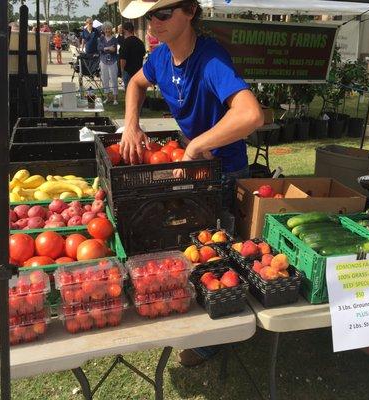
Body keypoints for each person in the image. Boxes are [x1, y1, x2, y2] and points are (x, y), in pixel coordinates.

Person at [119, 0, 264, 366]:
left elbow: (250, 114)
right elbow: (136, 83)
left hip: (223, 174)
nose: (154, 22)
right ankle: (195, 321)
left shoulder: (211, 59)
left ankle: (215, 339)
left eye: (163, 13)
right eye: (150, 15)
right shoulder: (160, 57)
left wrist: (197, 143)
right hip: (191, 171)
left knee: (214, 256)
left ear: (190, 13)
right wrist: (132, 123)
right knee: (189, 246)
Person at [118, 22, 146, 90]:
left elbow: (123, 59)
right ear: (133, 30)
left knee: (129, 90)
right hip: (138, 70)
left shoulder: (125, 43)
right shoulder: (140, 42)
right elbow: (143, 54)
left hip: (128, 71)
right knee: (138, 89)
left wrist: (122, 71)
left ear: (125, 30)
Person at [97, 21, 119, 105]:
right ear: (103, 30)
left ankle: (115, 98)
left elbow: (114, 50)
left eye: (109, 29)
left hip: (112, 61)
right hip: (103, 61)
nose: (107, 30)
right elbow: (99, 48)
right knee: (105, 79)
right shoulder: (101, 39)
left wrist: (105, 48)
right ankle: (107, 97)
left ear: (111, 29)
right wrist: (108, 48)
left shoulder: (114, 39)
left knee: (113, 79)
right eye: (106, 29)